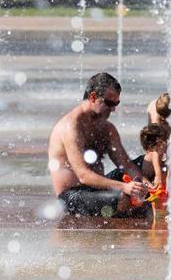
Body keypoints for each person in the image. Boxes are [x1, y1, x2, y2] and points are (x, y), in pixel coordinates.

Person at [48, 72, 150, 217]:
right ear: (93, 97)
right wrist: (125, 187)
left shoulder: (107, 128)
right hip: (73, 195)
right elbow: (83, 176)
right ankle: (126, 209)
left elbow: (126, 165)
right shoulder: (71, 127)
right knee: (123, 198)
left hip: (99, 189)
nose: (113, 109)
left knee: (149, 163)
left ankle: (131, 205)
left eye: (116, 104)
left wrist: (145, 184)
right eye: (109, 103)